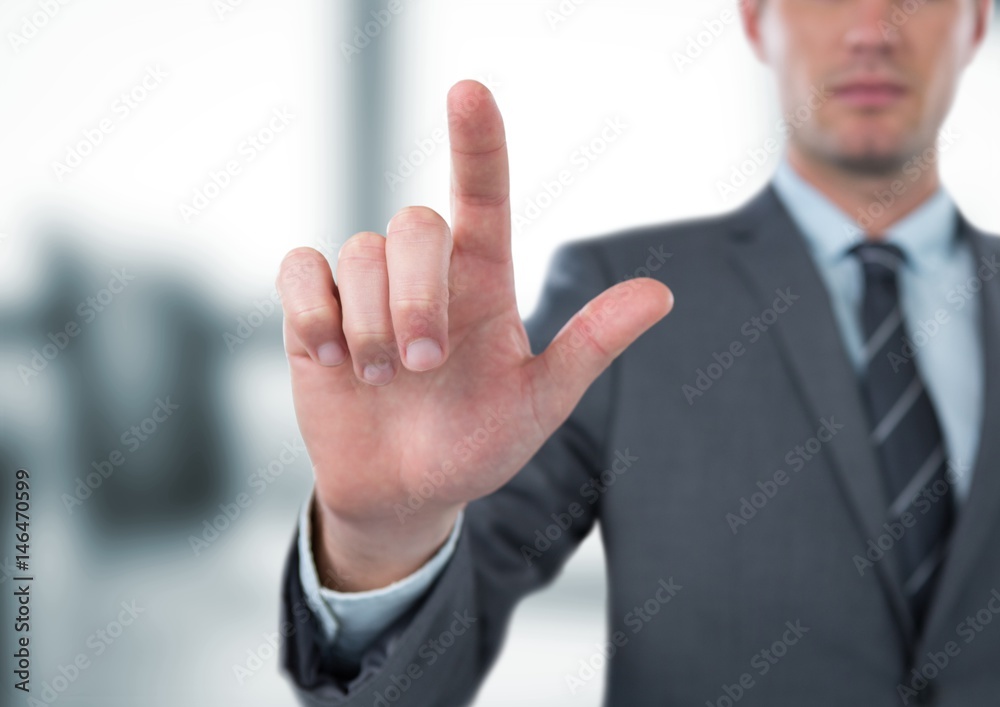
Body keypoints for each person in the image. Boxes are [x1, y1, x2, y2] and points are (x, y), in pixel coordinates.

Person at [277, 1, 1000, 704]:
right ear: (756, 19)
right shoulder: (619, 304)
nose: (872, 30)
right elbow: (410, 683)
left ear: (976, 21)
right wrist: (383, 537)